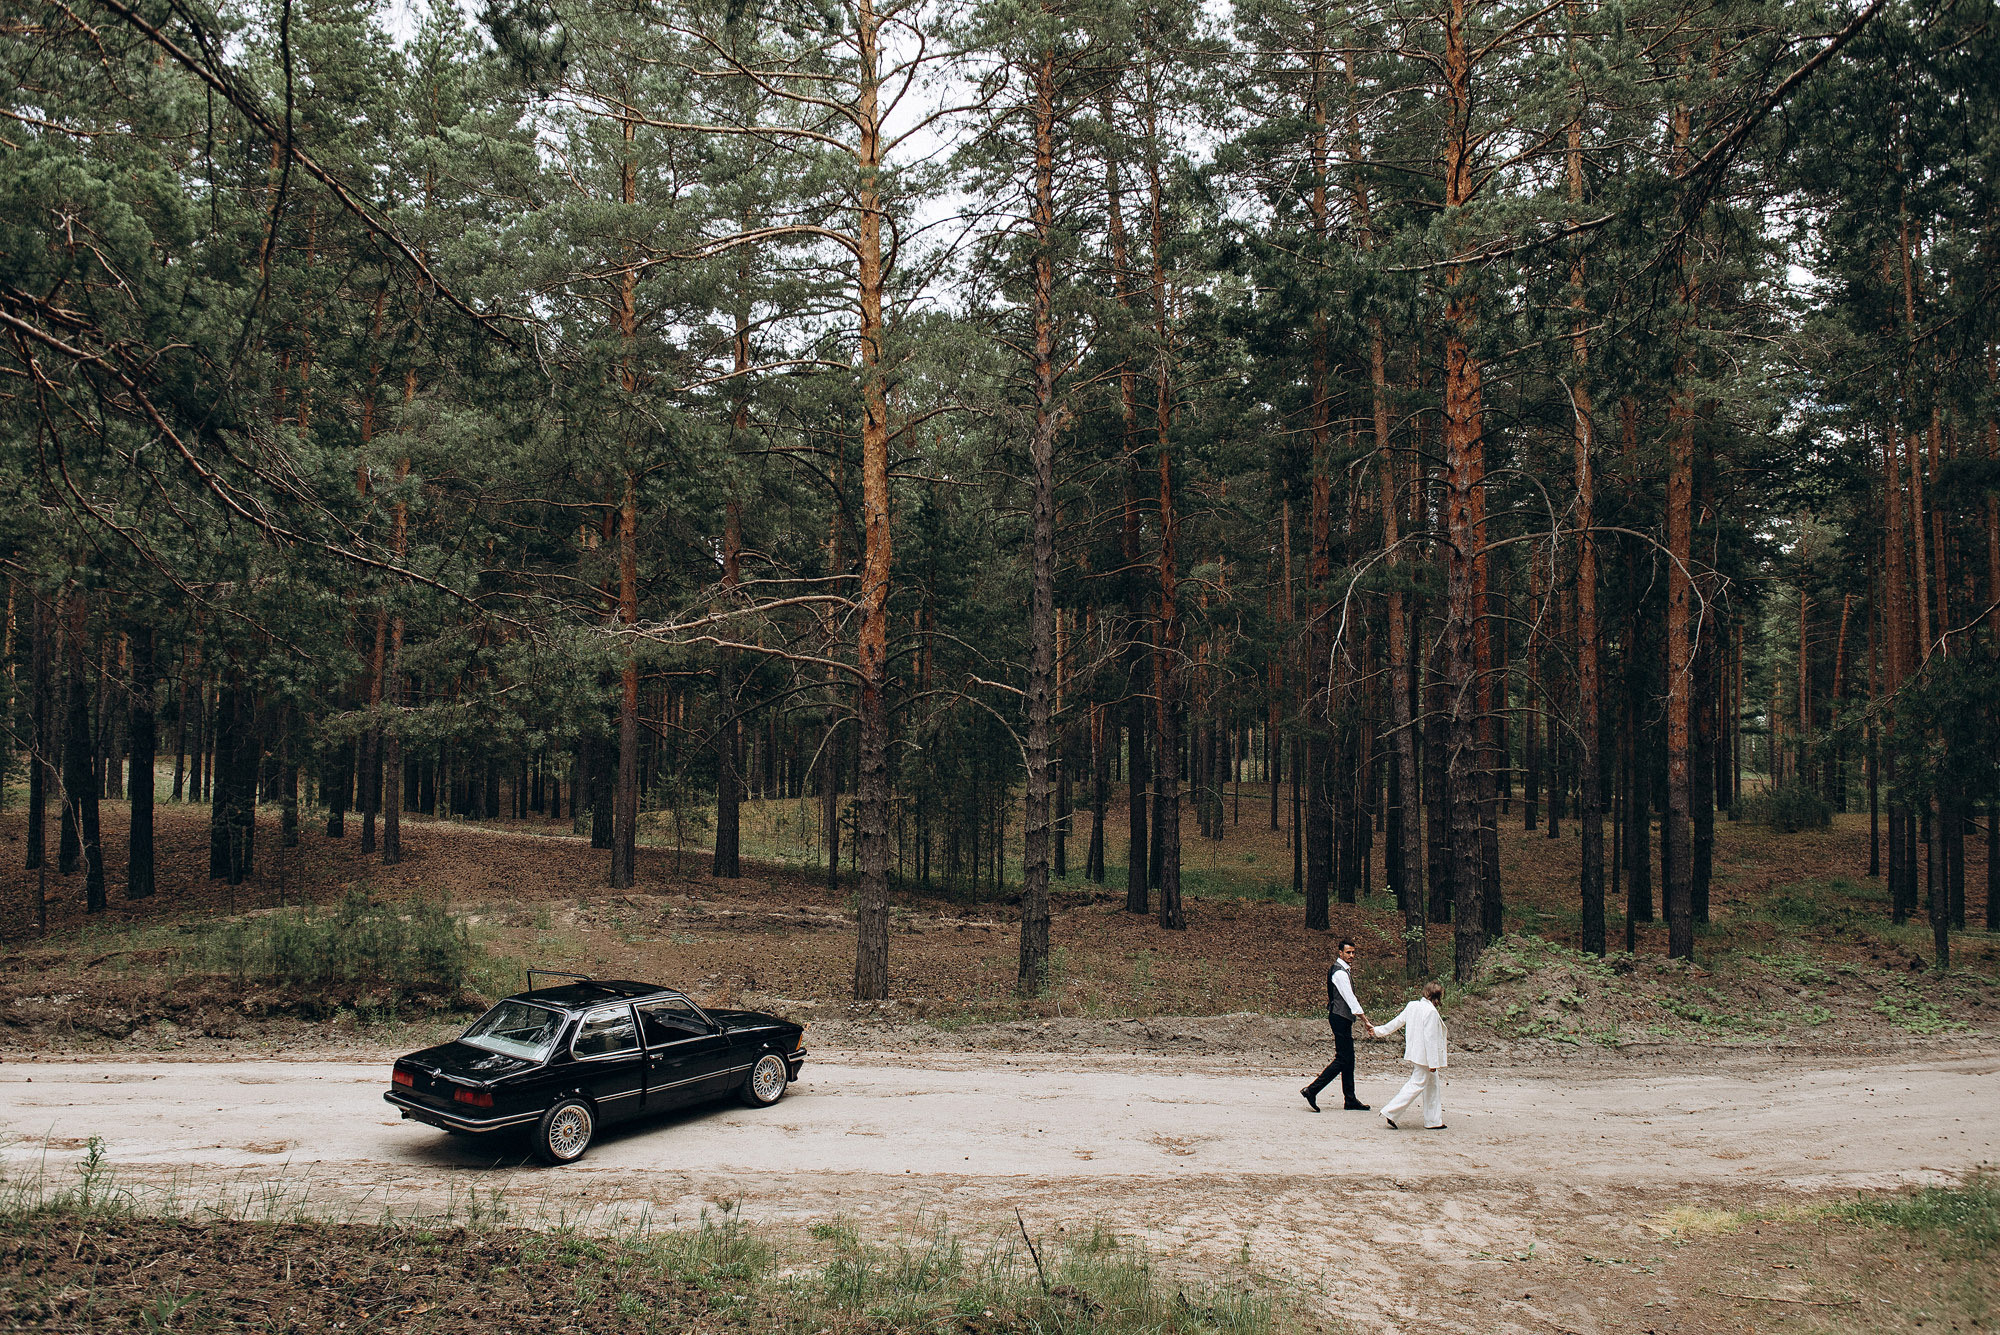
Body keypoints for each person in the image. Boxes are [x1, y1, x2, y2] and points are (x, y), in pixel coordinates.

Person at [1300, 939, 1370, 1112]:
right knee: (1342, 1059)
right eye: (1348, 952)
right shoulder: (1339, 973)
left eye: (1353, 952)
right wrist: (1365, 1020)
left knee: (1349, 1059)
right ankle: (1312, 1090)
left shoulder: (1344, 970)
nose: (1351, 955)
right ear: (1340, 953)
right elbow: (1350, 999)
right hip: (1339, 1017)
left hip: (1342, 1018)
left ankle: (1350, 1099)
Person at [1368, 981, 1448, 1130]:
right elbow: (1430, 1039)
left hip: (1416, 1053)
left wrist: (1378, 1031)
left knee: (1432, 1086)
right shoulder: (1430, 1012)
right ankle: (1390, 1112)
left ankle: (1433, 1120)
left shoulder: (1412, 1005)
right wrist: (1433, 1063)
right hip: (1425, 1057)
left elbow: (1397, 1022)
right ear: (1437, 997)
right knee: (1416, 1084)